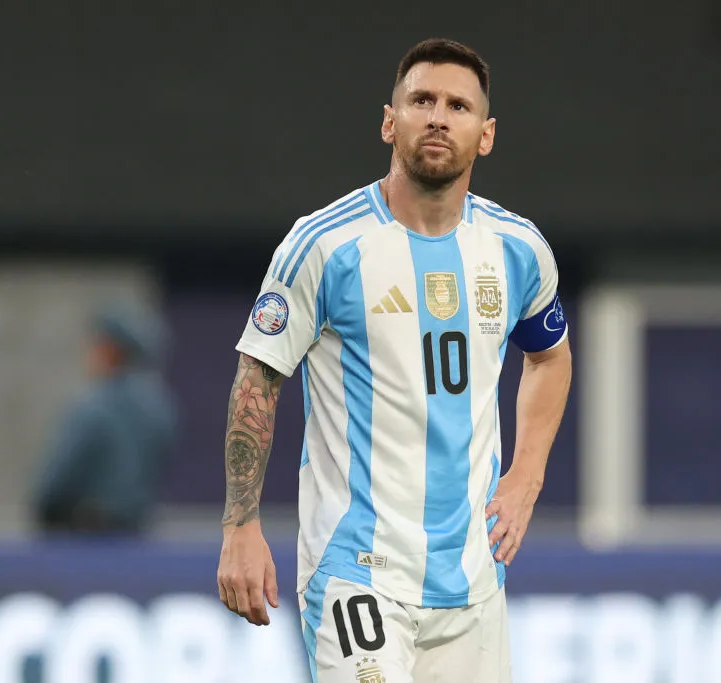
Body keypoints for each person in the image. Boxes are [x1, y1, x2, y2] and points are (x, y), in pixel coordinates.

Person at [216, 38, 572, 682]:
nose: (439, 116)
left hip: (472, 581)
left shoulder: (518, 250)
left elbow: (550, 359)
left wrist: (527, 475)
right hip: (358, 572)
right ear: (390, 121)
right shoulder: (324, 244)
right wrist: (240, 523)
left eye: (458, 106)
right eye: (422, 100)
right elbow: (258, 377)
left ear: (485, 135)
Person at [31, 302, 177, 536]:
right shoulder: (159, 408)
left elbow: (55, 486)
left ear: (110, 350)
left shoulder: (94, 407)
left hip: (85, 540)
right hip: (137, 539)